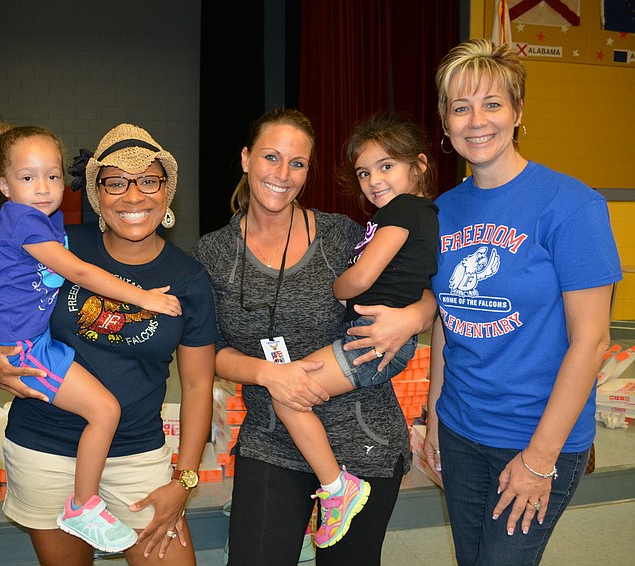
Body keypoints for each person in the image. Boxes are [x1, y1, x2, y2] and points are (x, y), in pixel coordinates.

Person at [192, 107, 437, 566]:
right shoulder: (214, 252)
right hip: (273, 438)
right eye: (270, 157)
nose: (282, 175)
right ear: (246, 159)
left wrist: (416, 315)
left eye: (297, 163)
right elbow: (208, 355)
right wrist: (269, 373)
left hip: (362, 438)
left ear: (308, 173)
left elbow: (418, 286)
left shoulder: (341, 235)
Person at [423, 38, 622, 566]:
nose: (476, 120)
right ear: (445, 122)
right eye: (460, 107)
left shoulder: (572, 205)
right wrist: (434, 421)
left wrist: (539, 459)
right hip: (461, 429)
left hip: (535, 435)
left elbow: (593, 339)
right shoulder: (442, 211)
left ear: (517, 112)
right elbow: (447, 321)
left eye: (492, 103)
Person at [0, 123, 217, 566]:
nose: (133, 196)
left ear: (167, 192)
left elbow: (199, 386)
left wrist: (183, 479)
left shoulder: (188, 279)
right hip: (45, 448)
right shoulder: (63, 242)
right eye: (116, 183)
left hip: (137, 456)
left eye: (148, 180)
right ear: (96, 194)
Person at [268, 111, 439, 549]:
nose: (373, 181)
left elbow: (361, 279)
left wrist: (339, 287)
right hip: (376, 334)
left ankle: (337, 488)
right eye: (364, 172)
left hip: (371, 335)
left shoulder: (401, 212)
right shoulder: (419, 213)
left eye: (387, 166)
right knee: (292, 389)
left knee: (288, 394)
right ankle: (335, 485)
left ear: (418, 166)